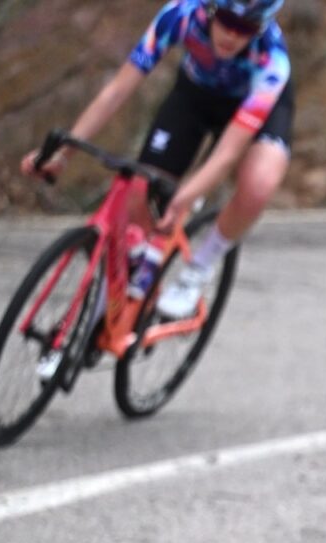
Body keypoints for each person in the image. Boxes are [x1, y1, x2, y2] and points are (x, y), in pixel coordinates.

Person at [20, 0, 292, 321]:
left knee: (259, 184)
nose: (232, 35)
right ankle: (117, 293)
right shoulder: (180, 14)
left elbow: (227, 154)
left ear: (262, 26)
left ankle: (200, 267)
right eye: (227, 19)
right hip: (195, 95)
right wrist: (62, 154)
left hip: (252, 109)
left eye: (247, 27)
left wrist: (187, 197)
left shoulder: (273, 60)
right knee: (140, 193)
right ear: (209, 8)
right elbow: (116, 92)